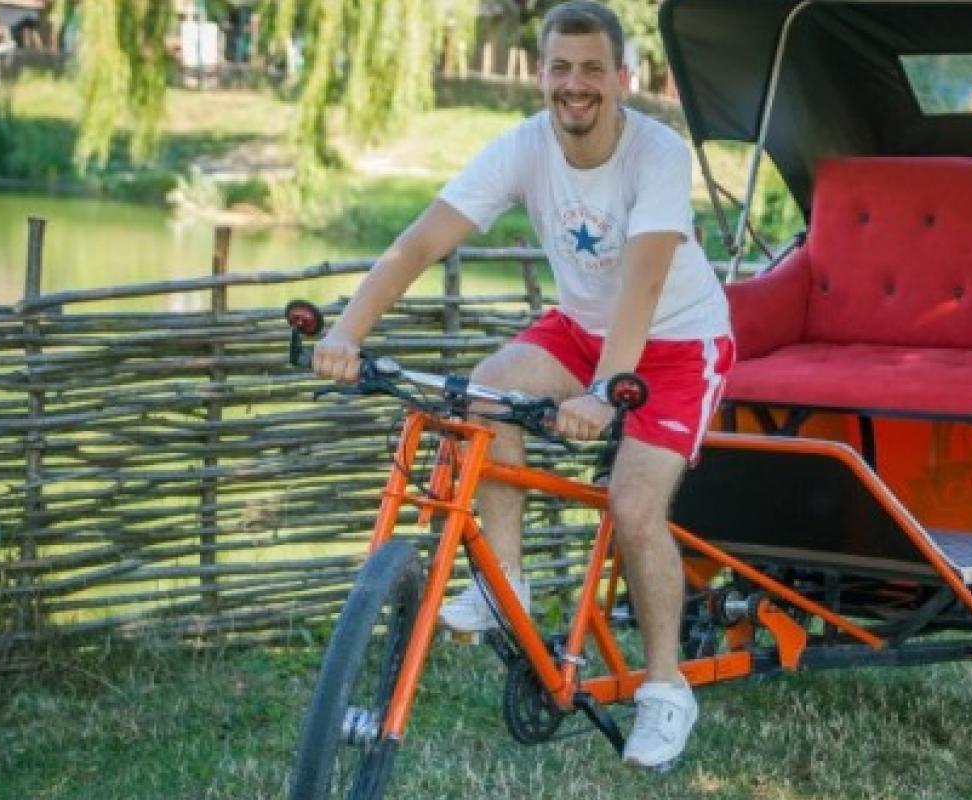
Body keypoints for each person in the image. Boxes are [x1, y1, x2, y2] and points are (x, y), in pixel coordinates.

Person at [310, 0, 732, 770]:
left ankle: (666, 689)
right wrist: (347, 332)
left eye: (593, 69)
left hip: (678, 342)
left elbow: (643, 283)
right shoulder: (523, 147)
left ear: (622, 78)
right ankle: (506, 585)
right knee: (484, 394)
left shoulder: (657, 154)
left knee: (634, 507)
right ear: (540, 75)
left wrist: (605, 390)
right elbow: (419, 243)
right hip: (583, 328)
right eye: (561, 68)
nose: (576, 84)